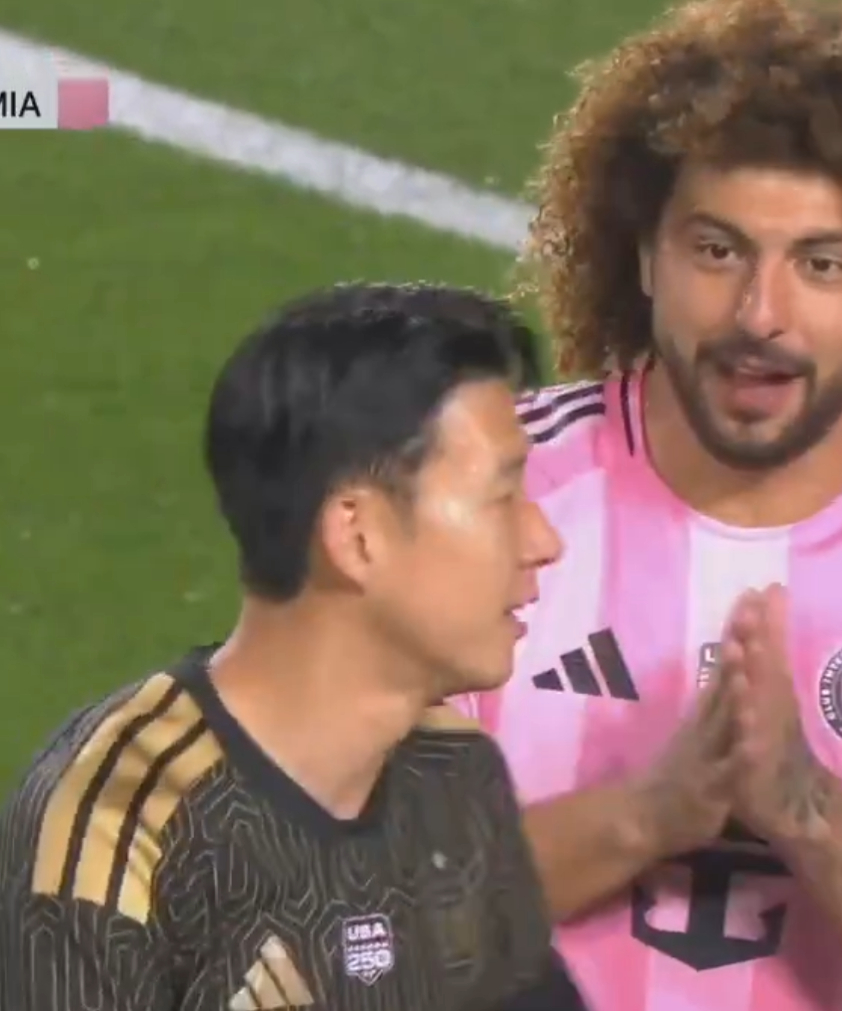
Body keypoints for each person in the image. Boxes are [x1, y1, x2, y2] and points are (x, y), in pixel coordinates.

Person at [0, 282, 571, 1011]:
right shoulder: (120, 829)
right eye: (502, 497)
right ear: (356, 535)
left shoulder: (454, 778)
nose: (543, 540)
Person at [452, 0, 842, 1007]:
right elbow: (345, 913)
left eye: (823, 264)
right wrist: (649, 814)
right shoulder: (479, 493)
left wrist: (804, 808)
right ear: (644, 255)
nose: (760, 314)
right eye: (717, 251)